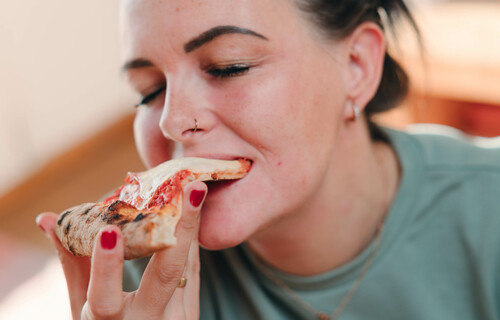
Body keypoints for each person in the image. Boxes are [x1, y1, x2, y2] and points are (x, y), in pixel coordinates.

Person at [36, 0, 500, 319]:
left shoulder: (488, 212)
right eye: (149, 92)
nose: (173, 121)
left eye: (228, 66)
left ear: (356, 66)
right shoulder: (138, 276)